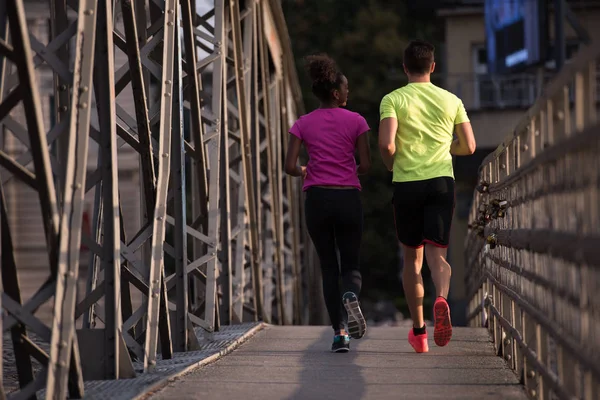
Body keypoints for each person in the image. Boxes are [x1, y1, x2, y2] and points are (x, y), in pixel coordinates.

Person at [378, 40, 476, 353]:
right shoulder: (452, 100)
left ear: (405, 67)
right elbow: (470, 146)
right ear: (433, 67)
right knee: (438, 256)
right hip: (441, 183)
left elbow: (386, 145)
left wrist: (393, 165)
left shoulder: (393, 99)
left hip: (408, 185)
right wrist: (450, 149)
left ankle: (420, 334)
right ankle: (443, 297)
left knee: (412, 259)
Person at [284, 54, 371, 353]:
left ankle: (340, 334)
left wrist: (305, 171)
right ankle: (351, 294)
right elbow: (366, 164)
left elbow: (289, 166)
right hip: (347, 198)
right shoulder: (357, 121)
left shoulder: (302, 124)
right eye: (346, 88)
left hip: (317, 199)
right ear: (336, 92)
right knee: (351, 264)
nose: (349, 92)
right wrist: (347, 170)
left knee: (327, 266)